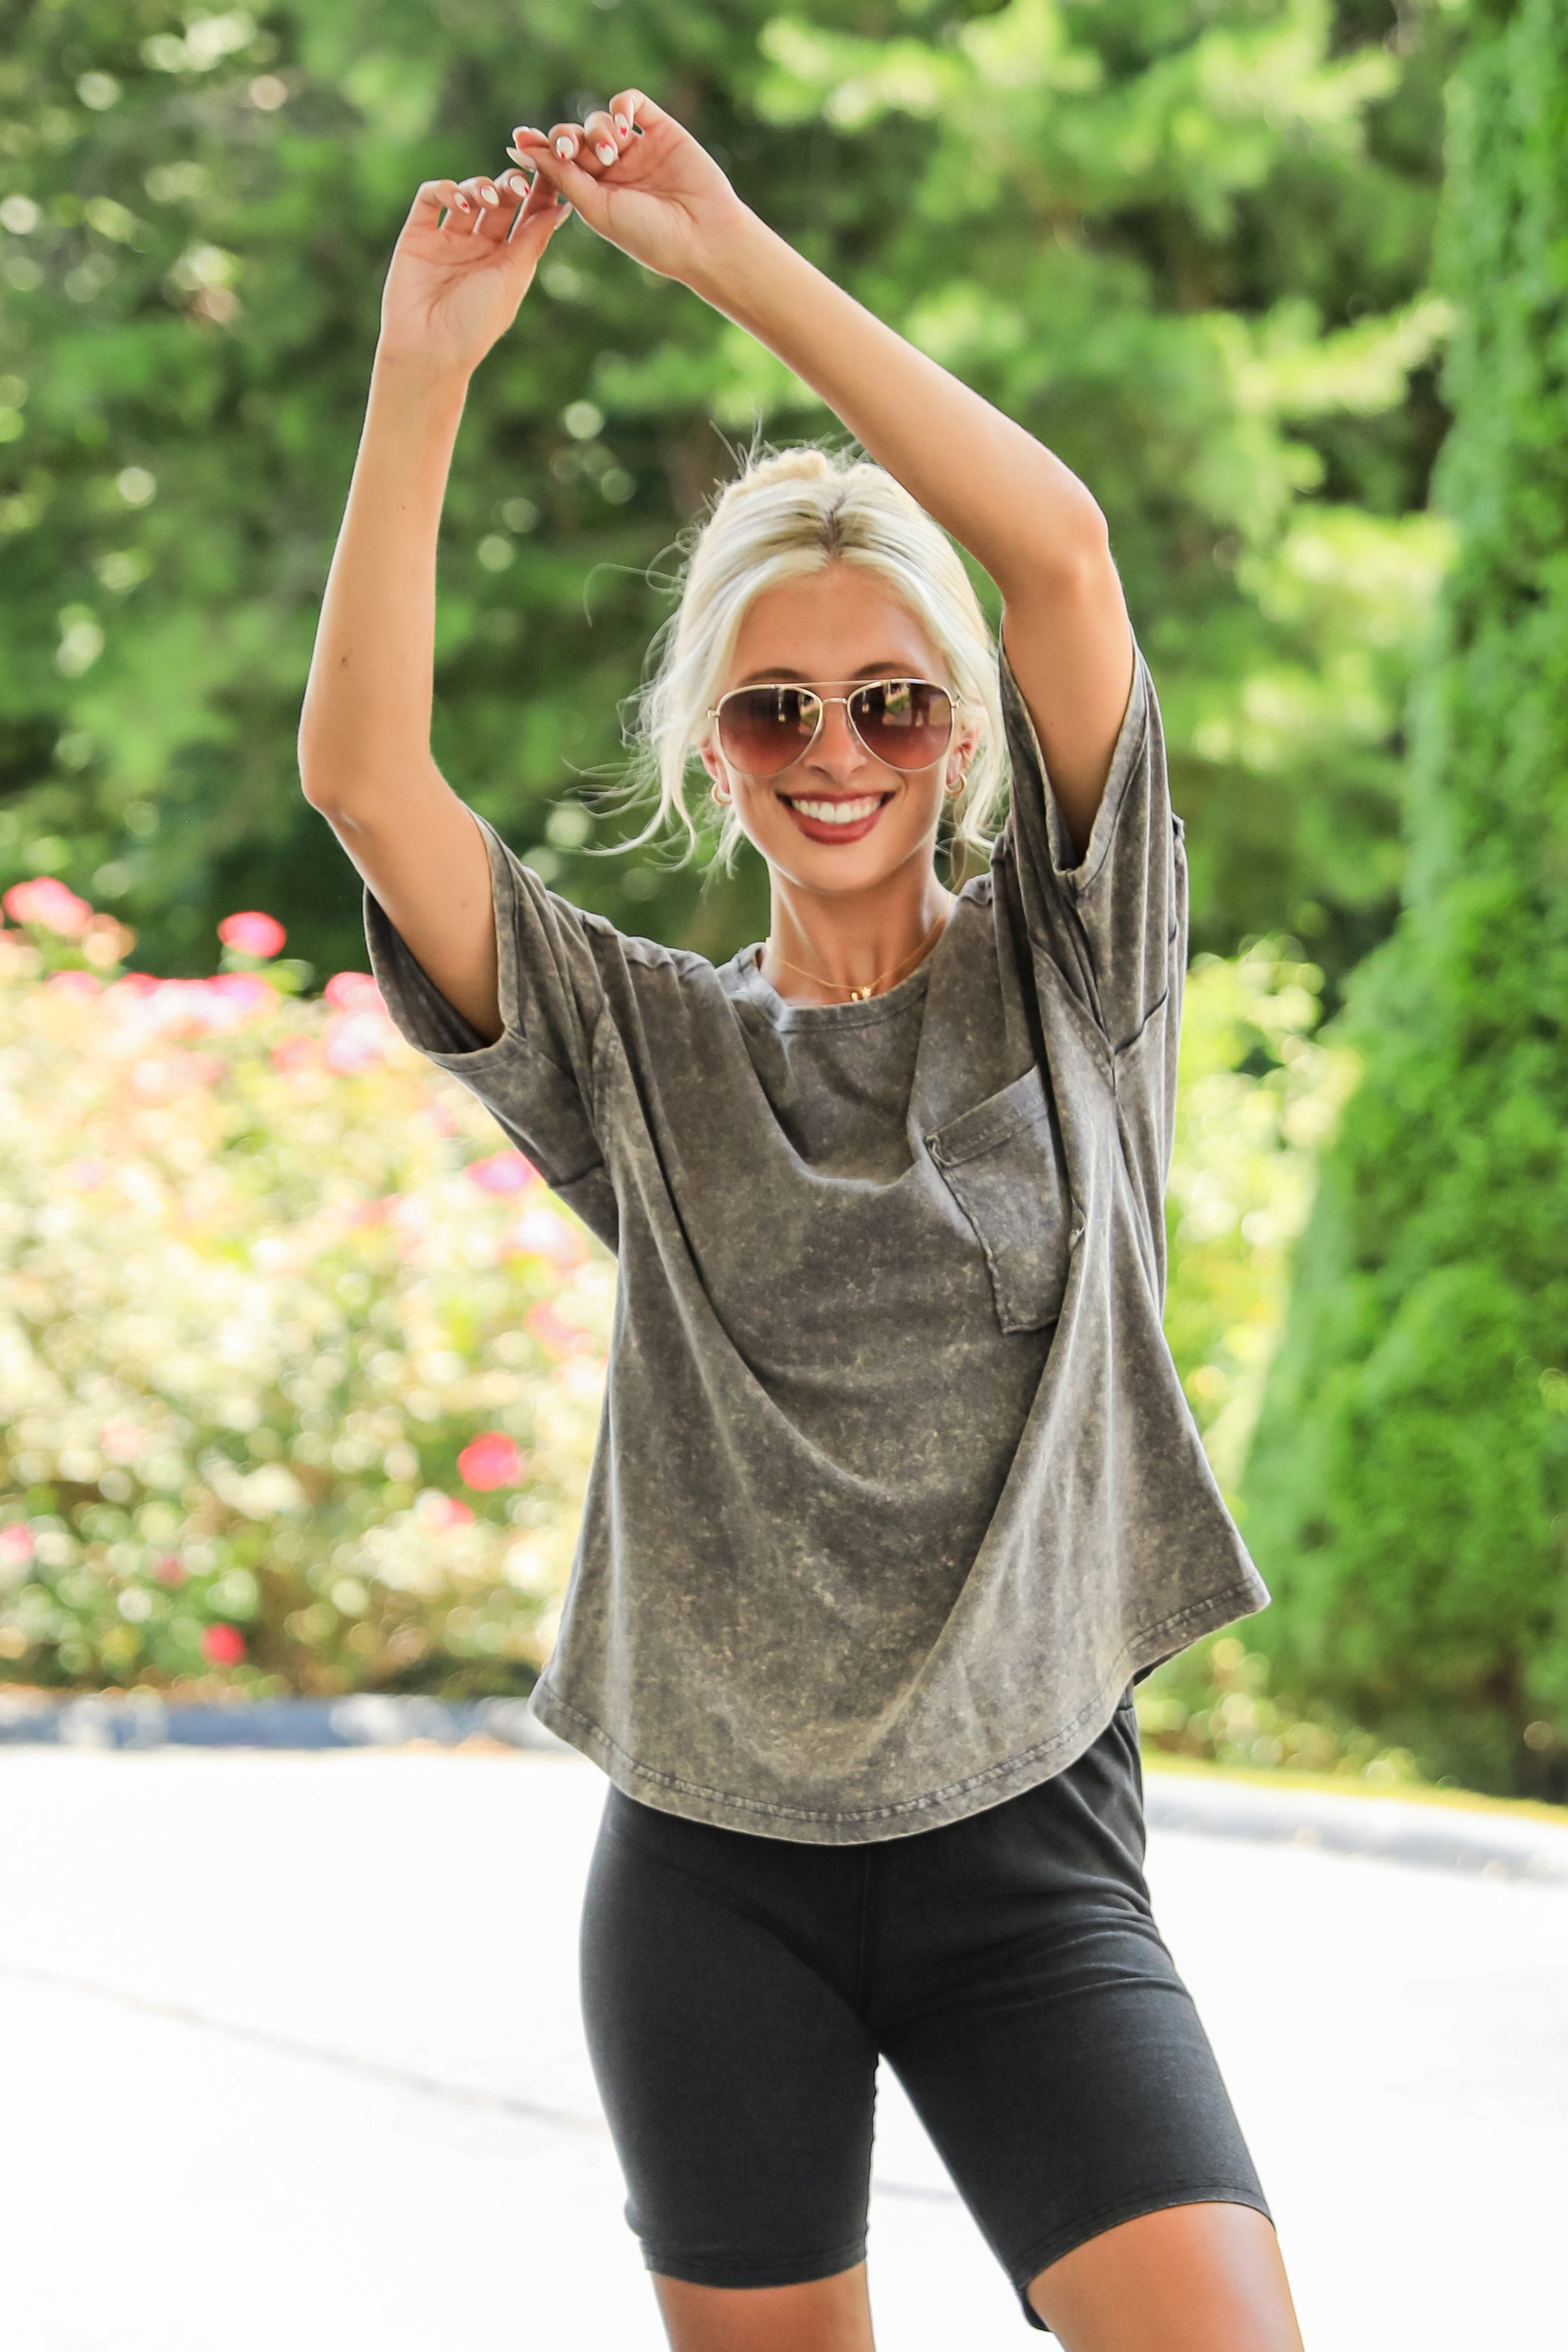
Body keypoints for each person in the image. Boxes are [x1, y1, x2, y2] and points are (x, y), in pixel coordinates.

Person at [298, 91, 1304, 2352]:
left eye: (886, 700)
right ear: (713, 746)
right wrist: (422, 367)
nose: (831, 744)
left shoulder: (1073, 967)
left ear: (954, 732)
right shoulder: (639, 1049)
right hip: (708, 1882)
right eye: (773, 706)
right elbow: (365, 781)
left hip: (1028, 1860)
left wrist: (726, 254)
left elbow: (1053, 552)